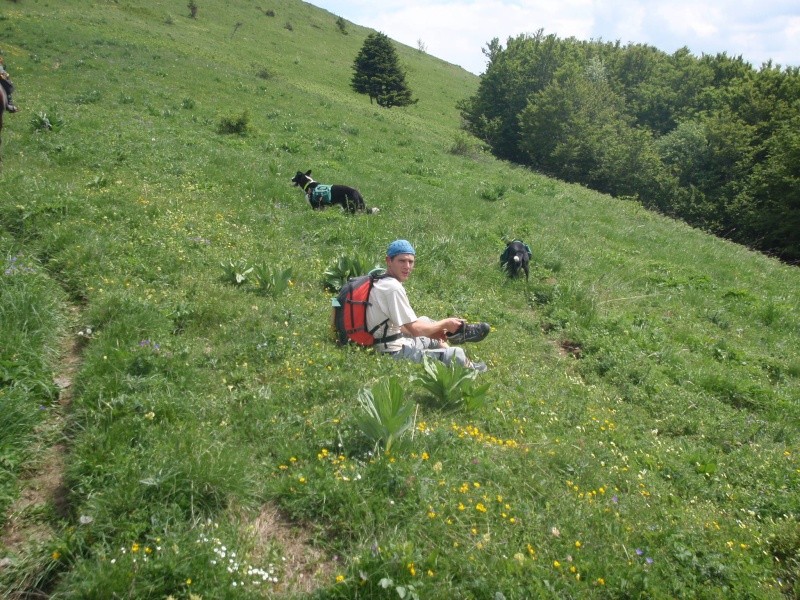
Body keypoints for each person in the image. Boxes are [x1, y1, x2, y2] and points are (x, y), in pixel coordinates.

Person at [367, 239, 490, 371]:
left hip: (384, 338)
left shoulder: (381, 280)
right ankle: (462, 357)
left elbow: (399, 325)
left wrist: (434, 331)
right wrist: (444, 324)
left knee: (425, 321)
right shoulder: (393, 288)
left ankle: (455, 337)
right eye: (402, 261)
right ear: (389, 261)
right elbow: (415, 329)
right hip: (392, 352)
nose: (407, 266)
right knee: (457, 354)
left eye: (411, 261)